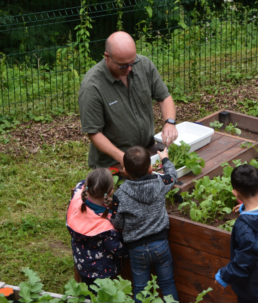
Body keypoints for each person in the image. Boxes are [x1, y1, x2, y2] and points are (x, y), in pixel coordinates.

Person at [78, 31, 178, 169]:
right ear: (107, 56)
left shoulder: (144, 65)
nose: (129, 68)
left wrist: (170, 122)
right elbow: (94, 133)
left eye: (132, 62)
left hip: (147, 151)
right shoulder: (92, 87)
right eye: (123, 65)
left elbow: (164, 97)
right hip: (114, 162)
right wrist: (123, 159)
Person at [108, 145, 178, 301]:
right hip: (161, 245)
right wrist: (165, 159)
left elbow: (116, 222)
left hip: (136, 249)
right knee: (167, 284)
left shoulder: (119, 195)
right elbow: (172, 176)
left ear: (125, 170)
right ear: (151, 168)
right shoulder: (161, 181)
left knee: (140, 289)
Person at [215, 164, 258, 303]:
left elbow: (244, 260)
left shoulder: (245, 226)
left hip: (251, 285)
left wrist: (223, 276)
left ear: (235, 193)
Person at [66, 168, 128, 290]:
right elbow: (118, 249)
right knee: (101, 296)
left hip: (82, 265)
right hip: (103, 273)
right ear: (110, 192)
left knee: (87, 291)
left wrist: (93, 182)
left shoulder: (77, 199)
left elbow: (80, 183)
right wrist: (130, 251)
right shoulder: (106, 226)